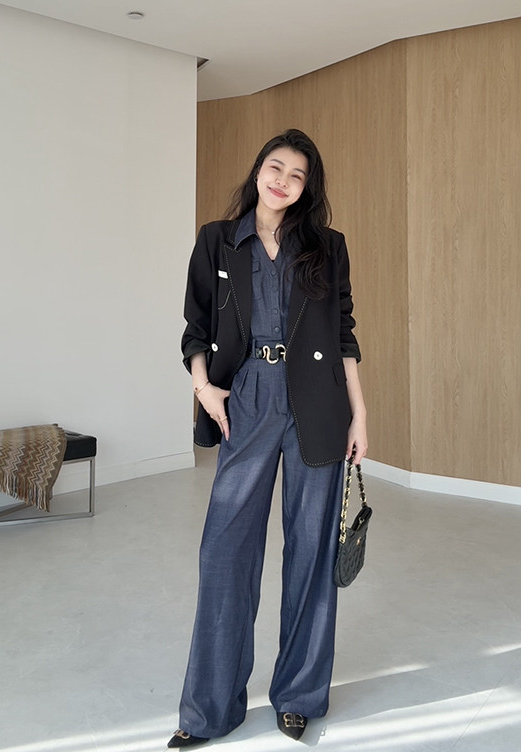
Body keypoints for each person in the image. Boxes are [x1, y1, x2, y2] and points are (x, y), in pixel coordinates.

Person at [169, 129, 368, 748]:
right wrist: (204, 387)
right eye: (275, 167)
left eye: (297, 175)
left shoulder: (327, 247)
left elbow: (343, 333)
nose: (283, 180)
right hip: (247, 396)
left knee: (311, 551)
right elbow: (195, 324)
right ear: (258, 170)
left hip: (318, 403)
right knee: (224, 552)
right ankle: (209, 711)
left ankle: (299, 696)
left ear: (307, 188)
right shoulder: (218, 239)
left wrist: (360, 415)